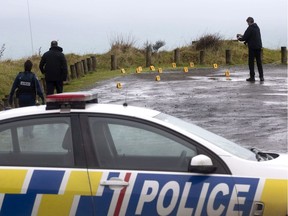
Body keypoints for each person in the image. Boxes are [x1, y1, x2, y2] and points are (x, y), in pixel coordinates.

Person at [8, 60, 45, 138]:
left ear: (24, 67)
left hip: (21, 99)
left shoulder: (19, 76)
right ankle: (30, 132)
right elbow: (38, 89)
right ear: (31, 67)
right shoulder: (33, 76)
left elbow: (13, 88)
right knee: (31, 116)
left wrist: (10, 99)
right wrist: (43, 99)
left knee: (23, 115)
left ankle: (25, 132)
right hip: (31, 99)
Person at [237, 17, 264, 82]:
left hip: (252, 48)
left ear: (249, 22)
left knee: (251, 63)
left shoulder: (250, 28)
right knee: (259, 62)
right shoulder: (257, 27)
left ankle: (252, 77)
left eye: (247, 22)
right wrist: (246, 40)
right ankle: (261, 77)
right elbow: (251, 36)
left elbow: (245, 37)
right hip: (258, 46)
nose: (247, 24)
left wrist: (239, 38)